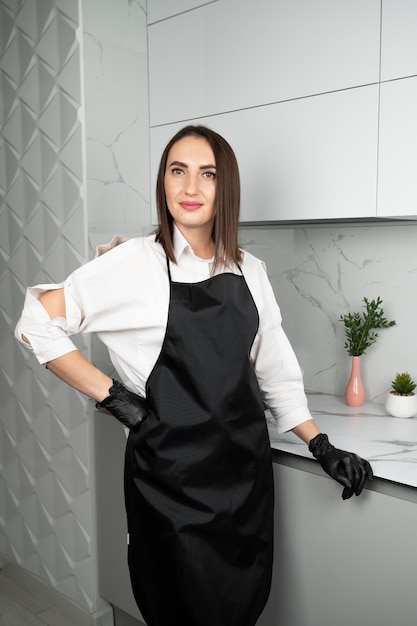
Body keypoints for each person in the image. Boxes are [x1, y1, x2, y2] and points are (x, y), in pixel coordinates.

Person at [15, 125, 373, 626]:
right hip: (170, 484)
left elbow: (276, 372)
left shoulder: (251, 270)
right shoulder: (134, 263)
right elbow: (36, 324)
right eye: (177, 171)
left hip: (243, 479)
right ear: (163, 183)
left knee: (239, 609)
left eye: (207, 174)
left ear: (225, 187)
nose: (190, 188)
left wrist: (321, 445)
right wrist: (114, 396)